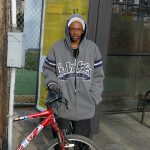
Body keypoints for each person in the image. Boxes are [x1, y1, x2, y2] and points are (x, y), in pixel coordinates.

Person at [42, 14, 104, 138]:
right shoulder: (57, 48)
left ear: (84, 30)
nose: (75, 32)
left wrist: (94, 96)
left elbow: (98, 75)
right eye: (72, 29)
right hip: (62, 103)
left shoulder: (92, 49)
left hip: (85, 105)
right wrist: (53, 84)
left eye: (79, 29)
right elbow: (48, 69)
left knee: (82, 143)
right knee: (61, 143)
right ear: (68, 29)